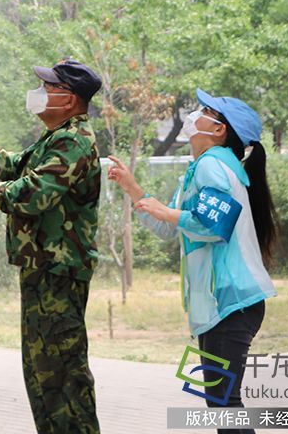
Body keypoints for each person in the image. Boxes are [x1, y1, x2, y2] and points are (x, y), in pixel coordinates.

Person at [0, 58, 103, 434]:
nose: (40, 94)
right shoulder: (57, 138)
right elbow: (21, 167)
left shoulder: (75, 140)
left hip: (59, 273)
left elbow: (36, 191)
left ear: (69, 100)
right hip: (44, 270)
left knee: (64, 375)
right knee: (42, 375)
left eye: (49, 88)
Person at [106, 89, 277, 434]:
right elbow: (170, 225)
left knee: (224, 404)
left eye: (204, 110)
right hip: (224, 304)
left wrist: (168, 212)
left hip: (230, 301)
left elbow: (214, 225)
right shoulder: (202, 168)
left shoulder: (214, 164)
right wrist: (133, 189)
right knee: (221, 402)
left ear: (218, 130)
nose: (193, 115)